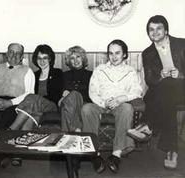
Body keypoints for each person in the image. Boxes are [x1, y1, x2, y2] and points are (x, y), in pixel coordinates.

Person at [130, 15, 185, 169]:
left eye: (158, 28)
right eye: (151, 30)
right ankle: (172, 150)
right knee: (167, 96)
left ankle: (148, 124)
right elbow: (150, 80)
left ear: (166, 30)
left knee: (166, 92)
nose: (154, 32)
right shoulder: (147, 53)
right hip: (163, 93)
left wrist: (180, 74)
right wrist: (160, 75)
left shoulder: (182, 44)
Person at [81, 40, 142, 173]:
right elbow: (92, 92)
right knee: (86, 109)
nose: (114, 57)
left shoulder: (130, 71)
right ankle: (94, 154)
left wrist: (121, 99)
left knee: (127, 108)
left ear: (124, 54)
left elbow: (137, 91)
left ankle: (116, 154)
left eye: (118, 53)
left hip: (120, 104)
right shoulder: (99, 70)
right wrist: (103, 103)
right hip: (101, 103)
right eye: (111, 53)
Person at [0, 43, 35, 174]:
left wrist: (10, 102)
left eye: (18, 53)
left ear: (22, 57)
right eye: (11, 52)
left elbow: (29, 93)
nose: (14, 55)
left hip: (14, 103)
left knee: (8, 116)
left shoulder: (28, 71)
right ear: (6, 54)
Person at [8, 44, 63, 131]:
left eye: (45, 58)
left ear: (50, 59)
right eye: (39, 58)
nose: (42, 61)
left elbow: (56, 96)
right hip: (36, 106)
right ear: (36, 60)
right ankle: (22, 137)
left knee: (31, 97)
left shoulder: (57, 73)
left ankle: (12, 129)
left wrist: (37, 99)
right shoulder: (34, 75)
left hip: (51, 105)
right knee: (30, 116)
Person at [59, 46, 92, 132]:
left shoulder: (91, 75)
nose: (76, 60)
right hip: (65, 102)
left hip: (83, 103)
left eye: (78, 57)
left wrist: (72, 94)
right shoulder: (64, 75)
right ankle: (75, 129)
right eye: (72, 58)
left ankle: (70, 131)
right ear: (69, 61)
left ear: (83, 58)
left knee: (73, 95)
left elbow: (92, 95)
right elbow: (59, 93)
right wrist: (63, 92)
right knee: (69, 99)